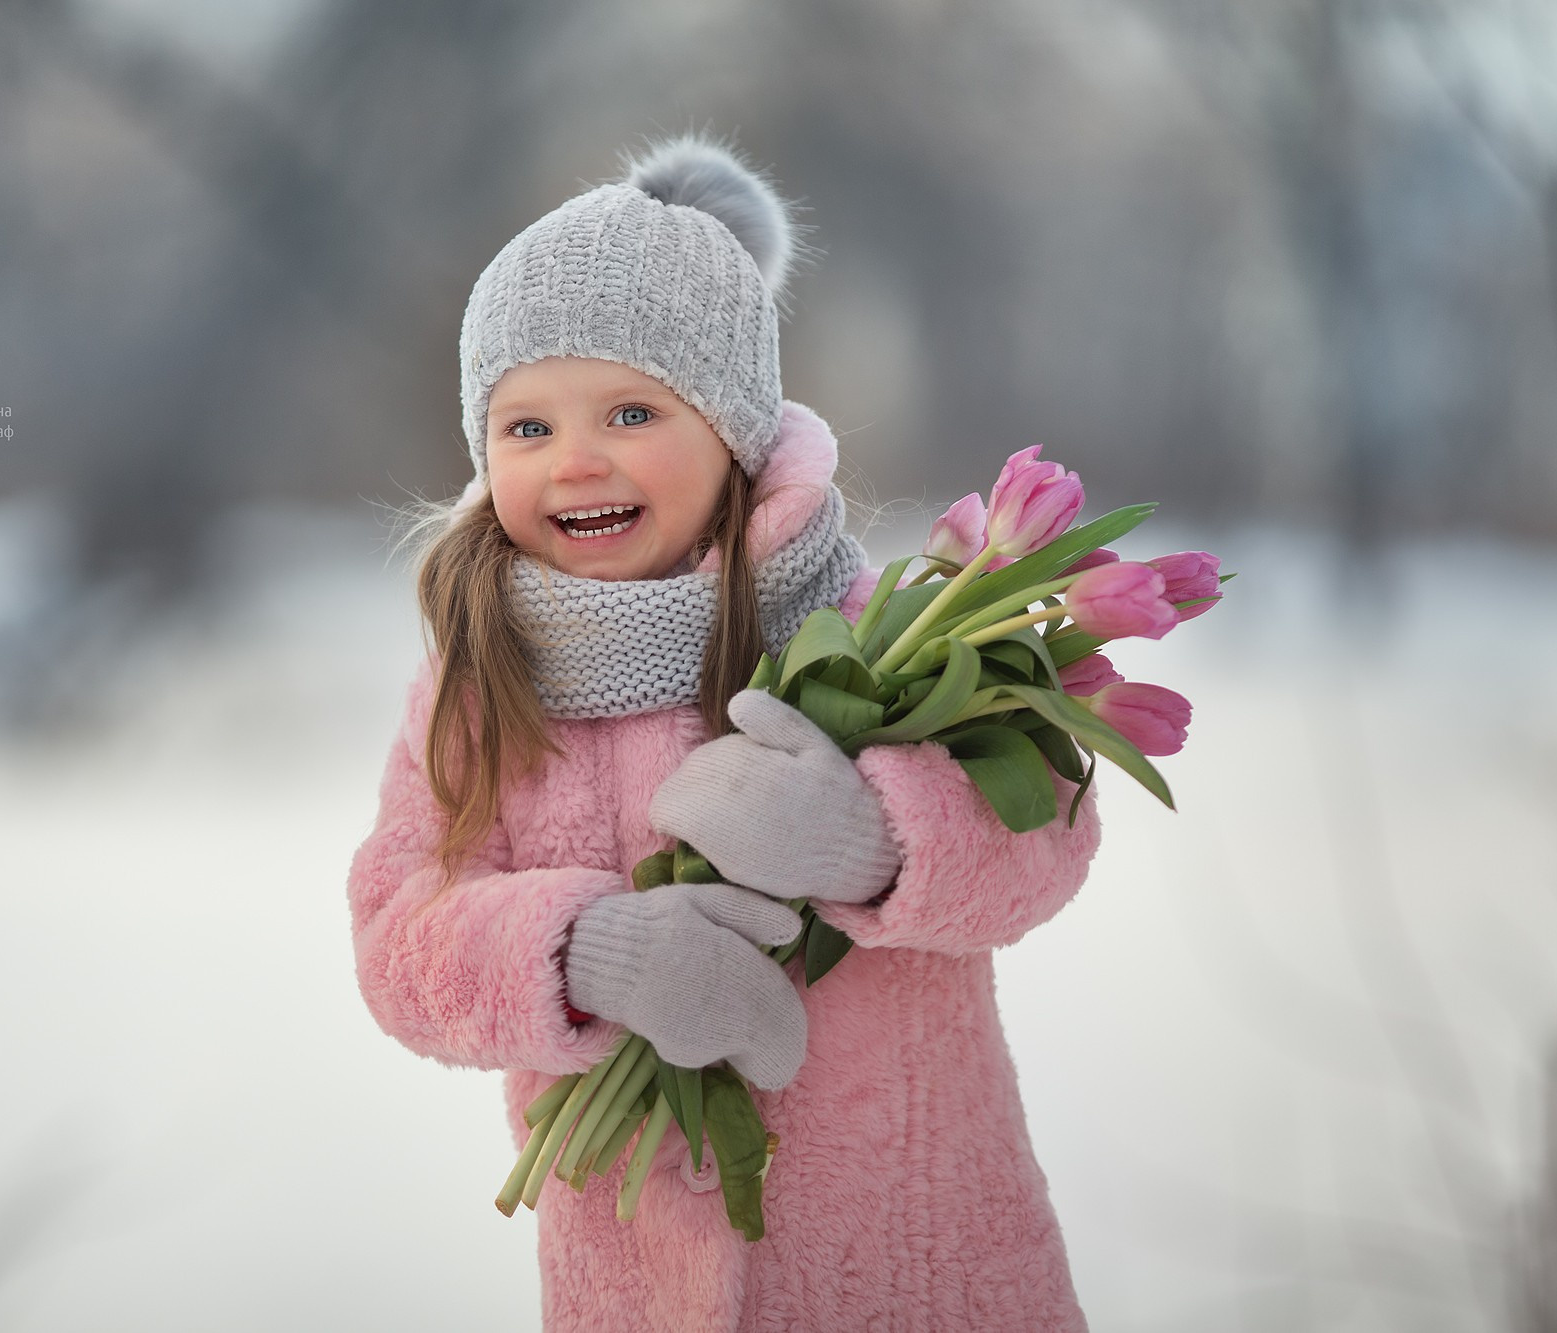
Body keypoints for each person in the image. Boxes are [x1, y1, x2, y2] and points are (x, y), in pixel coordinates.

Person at [347, 132, 1103, 1332]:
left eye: (631, 409)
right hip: (641, 1282)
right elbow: (400, 934)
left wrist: (874, 842)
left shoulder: (860, 622)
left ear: (735, 431)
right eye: (524, 426)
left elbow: (1046, 834)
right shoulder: (481, 679)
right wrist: (584, 953)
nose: (572, 458)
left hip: (917, 1257)